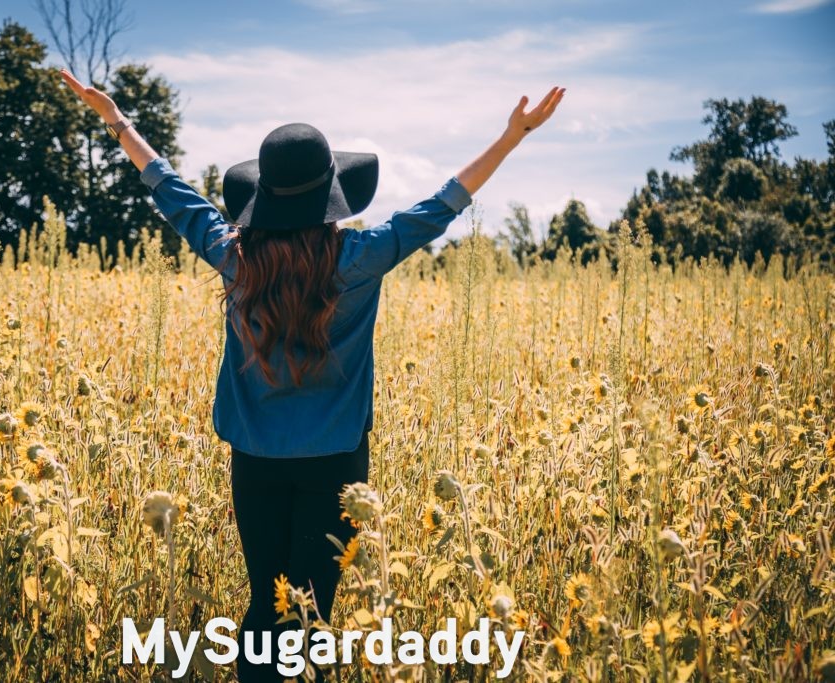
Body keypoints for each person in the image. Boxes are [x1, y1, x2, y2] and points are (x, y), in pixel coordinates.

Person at [61, 68, 564, 681]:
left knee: (264, 607)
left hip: (256, 462)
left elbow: (172, 192)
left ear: (263, 196)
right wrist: (514, 135)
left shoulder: (233, 257)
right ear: (332, 198)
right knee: (311, 611)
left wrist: (118, 120)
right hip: (337, 467)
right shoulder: (360, 257)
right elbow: (445, 203)